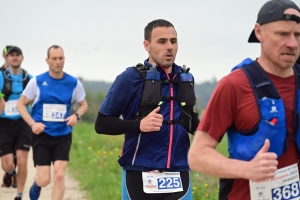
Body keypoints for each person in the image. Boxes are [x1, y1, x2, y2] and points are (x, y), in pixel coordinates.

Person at [188, 0, 300, 199]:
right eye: (282, 34)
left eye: (298, 35)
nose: (292, 43)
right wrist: (247, 169)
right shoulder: (234, 85)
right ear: (259, 32)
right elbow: (197, 156)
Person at [95, 19, 199, 200]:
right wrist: (139, 125)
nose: (169, 47)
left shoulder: (184, 79)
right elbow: (102, 123)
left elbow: (191, 121)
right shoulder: (131, 78)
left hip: (179, 174)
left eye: (173, 41)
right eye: (162, 41)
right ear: (147, 45)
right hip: (140, 174)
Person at [17, 45, 88, 200]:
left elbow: (84, 105)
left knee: (60, 176)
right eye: (54, 58)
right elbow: (20, 104)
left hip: (63, 135)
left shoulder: (73, 83)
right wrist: (32, 124)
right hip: (42, 135)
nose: (58, 62)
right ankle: (37, 185)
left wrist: (76, 116)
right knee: (44, 179)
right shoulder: (37, 81)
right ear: (47, 60)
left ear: (64, 60)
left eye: (60, 58)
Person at [0, 46, 33, 200]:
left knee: (23, 159)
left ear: (22, 58)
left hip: (23, 122)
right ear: (7, 58)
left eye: (17, 55)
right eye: (11, 55)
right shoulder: (1, 77)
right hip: (4, 123)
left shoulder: (29, 78)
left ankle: (19, 194)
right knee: (7, 164)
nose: (14, 57)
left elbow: (40, 98)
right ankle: (10, 172)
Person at [1, 45, 18, 189]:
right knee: (6, 151)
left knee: (17, 150)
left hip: (18, 119)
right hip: (3, 118)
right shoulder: (0, 73)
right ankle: (9, 172)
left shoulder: (21, 75)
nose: (9, 57)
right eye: (7, 55)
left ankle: (13, 175)